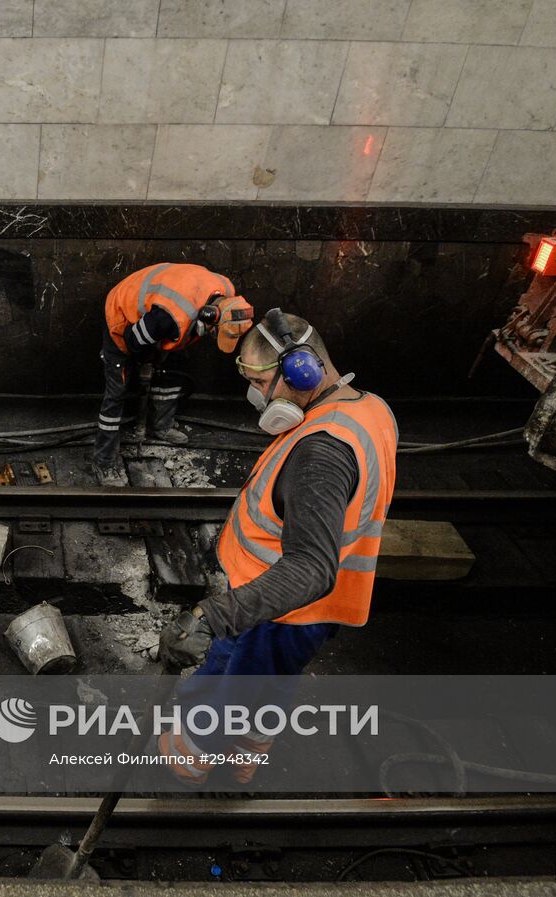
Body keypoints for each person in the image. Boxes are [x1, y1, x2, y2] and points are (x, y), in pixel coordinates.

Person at [157, 310, 397, 786]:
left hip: (283, 608)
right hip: (306, 607)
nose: (258, 397)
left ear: (302, 372)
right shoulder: (368, 409)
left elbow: (310, 568)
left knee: (237, 691)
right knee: (272, 679)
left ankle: (191, 759)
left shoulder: (321, 454)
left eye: (261, 383)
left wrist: (212, 615)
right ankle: (250, 749)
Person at [93, 263, 253, 487]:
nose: (212, 337)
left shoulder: (226, 290)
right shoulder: (171, 317)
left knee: (172, 371)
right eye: (214, 332)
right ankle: (104, 460)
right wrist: (146, 365)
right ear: (208, 316)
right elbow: (133, 341)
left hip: (163, 311)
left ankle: (160, 426)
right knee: (116, 391)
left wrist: (158, 358)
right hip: (123, 313)